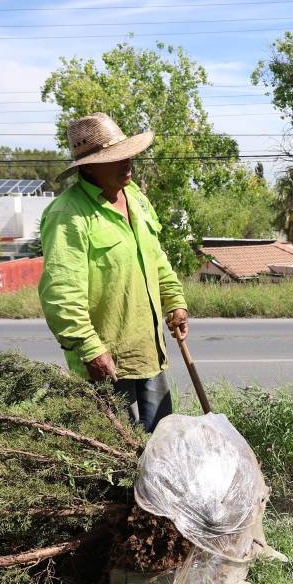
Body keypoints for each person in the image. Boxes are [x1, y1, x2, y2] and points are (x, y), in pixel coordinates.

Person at [37, 113, 189, 432]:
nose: (127, 162)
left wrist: (174, 301)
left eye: (127, 153)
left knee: (159, 444)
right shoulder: (69, 214)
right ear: (89, 167)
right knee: (120, 456)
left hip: (148, 353)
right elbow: (61, 295)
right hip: (107, 364)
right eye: (115, 158)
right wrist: (91, 350)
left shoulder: (135, 198)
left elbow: (155, 257)